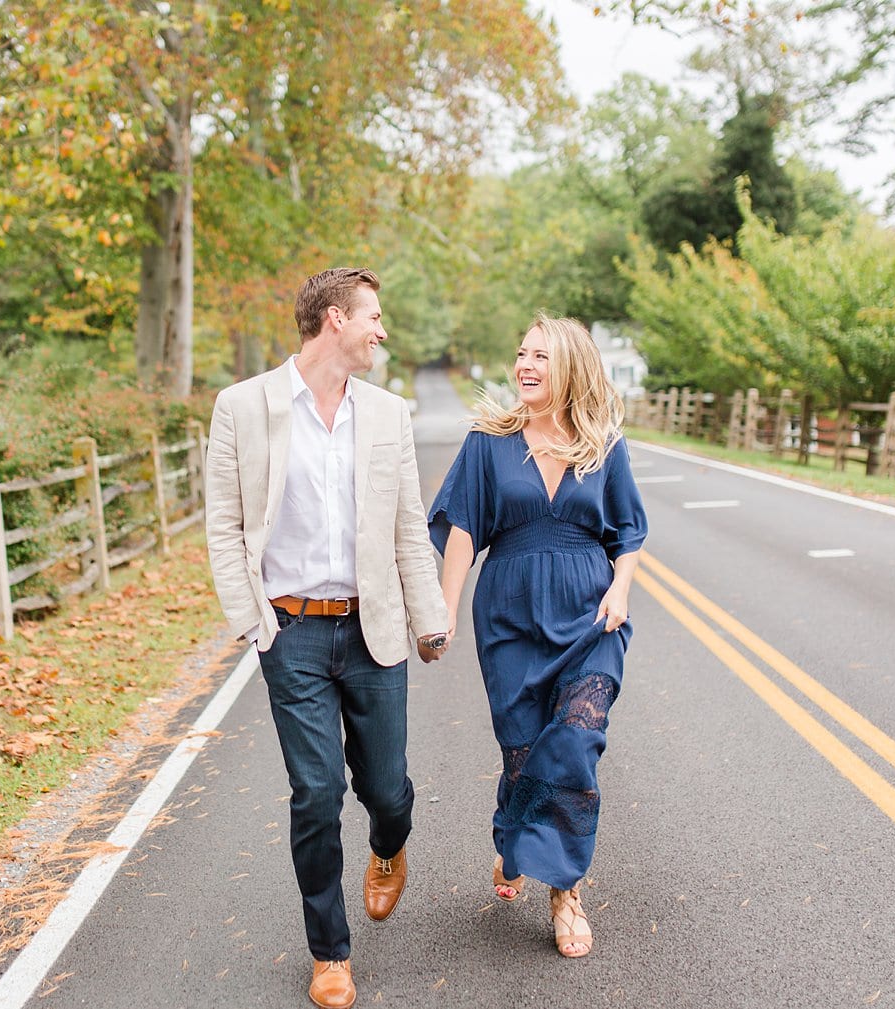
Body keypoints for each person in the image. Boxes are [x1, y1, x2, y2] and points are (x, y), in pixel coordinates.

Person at [204, 267, 450, 1009]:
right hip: (292, 633)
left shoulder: (387, 413)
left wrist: (428, 613)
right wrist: (253, 622)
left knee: (385, 789)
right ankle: (329, 952)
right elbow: (222, 523)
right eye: (373, 317)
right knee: (315, 792)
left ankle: (387, 846)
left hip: (370, 626)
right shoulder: (242, 407)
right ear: (334, 320)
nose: (381, 330)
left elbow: (408, 523)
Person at [427, 313, 647, 959]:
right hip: (510, 619)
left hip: (589, 613)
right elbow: (462, 529)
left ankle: (564, 890)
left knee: (574, 742)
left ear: (570, 368)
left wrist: (621, 587)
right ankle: (517, 830)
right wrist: (442, 611)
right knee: (524, 751)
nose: (524, 365)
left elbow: (628, 530)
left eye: (540, 357)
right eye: (520, 353)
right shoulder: (487, 443)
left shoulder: (603, 443)